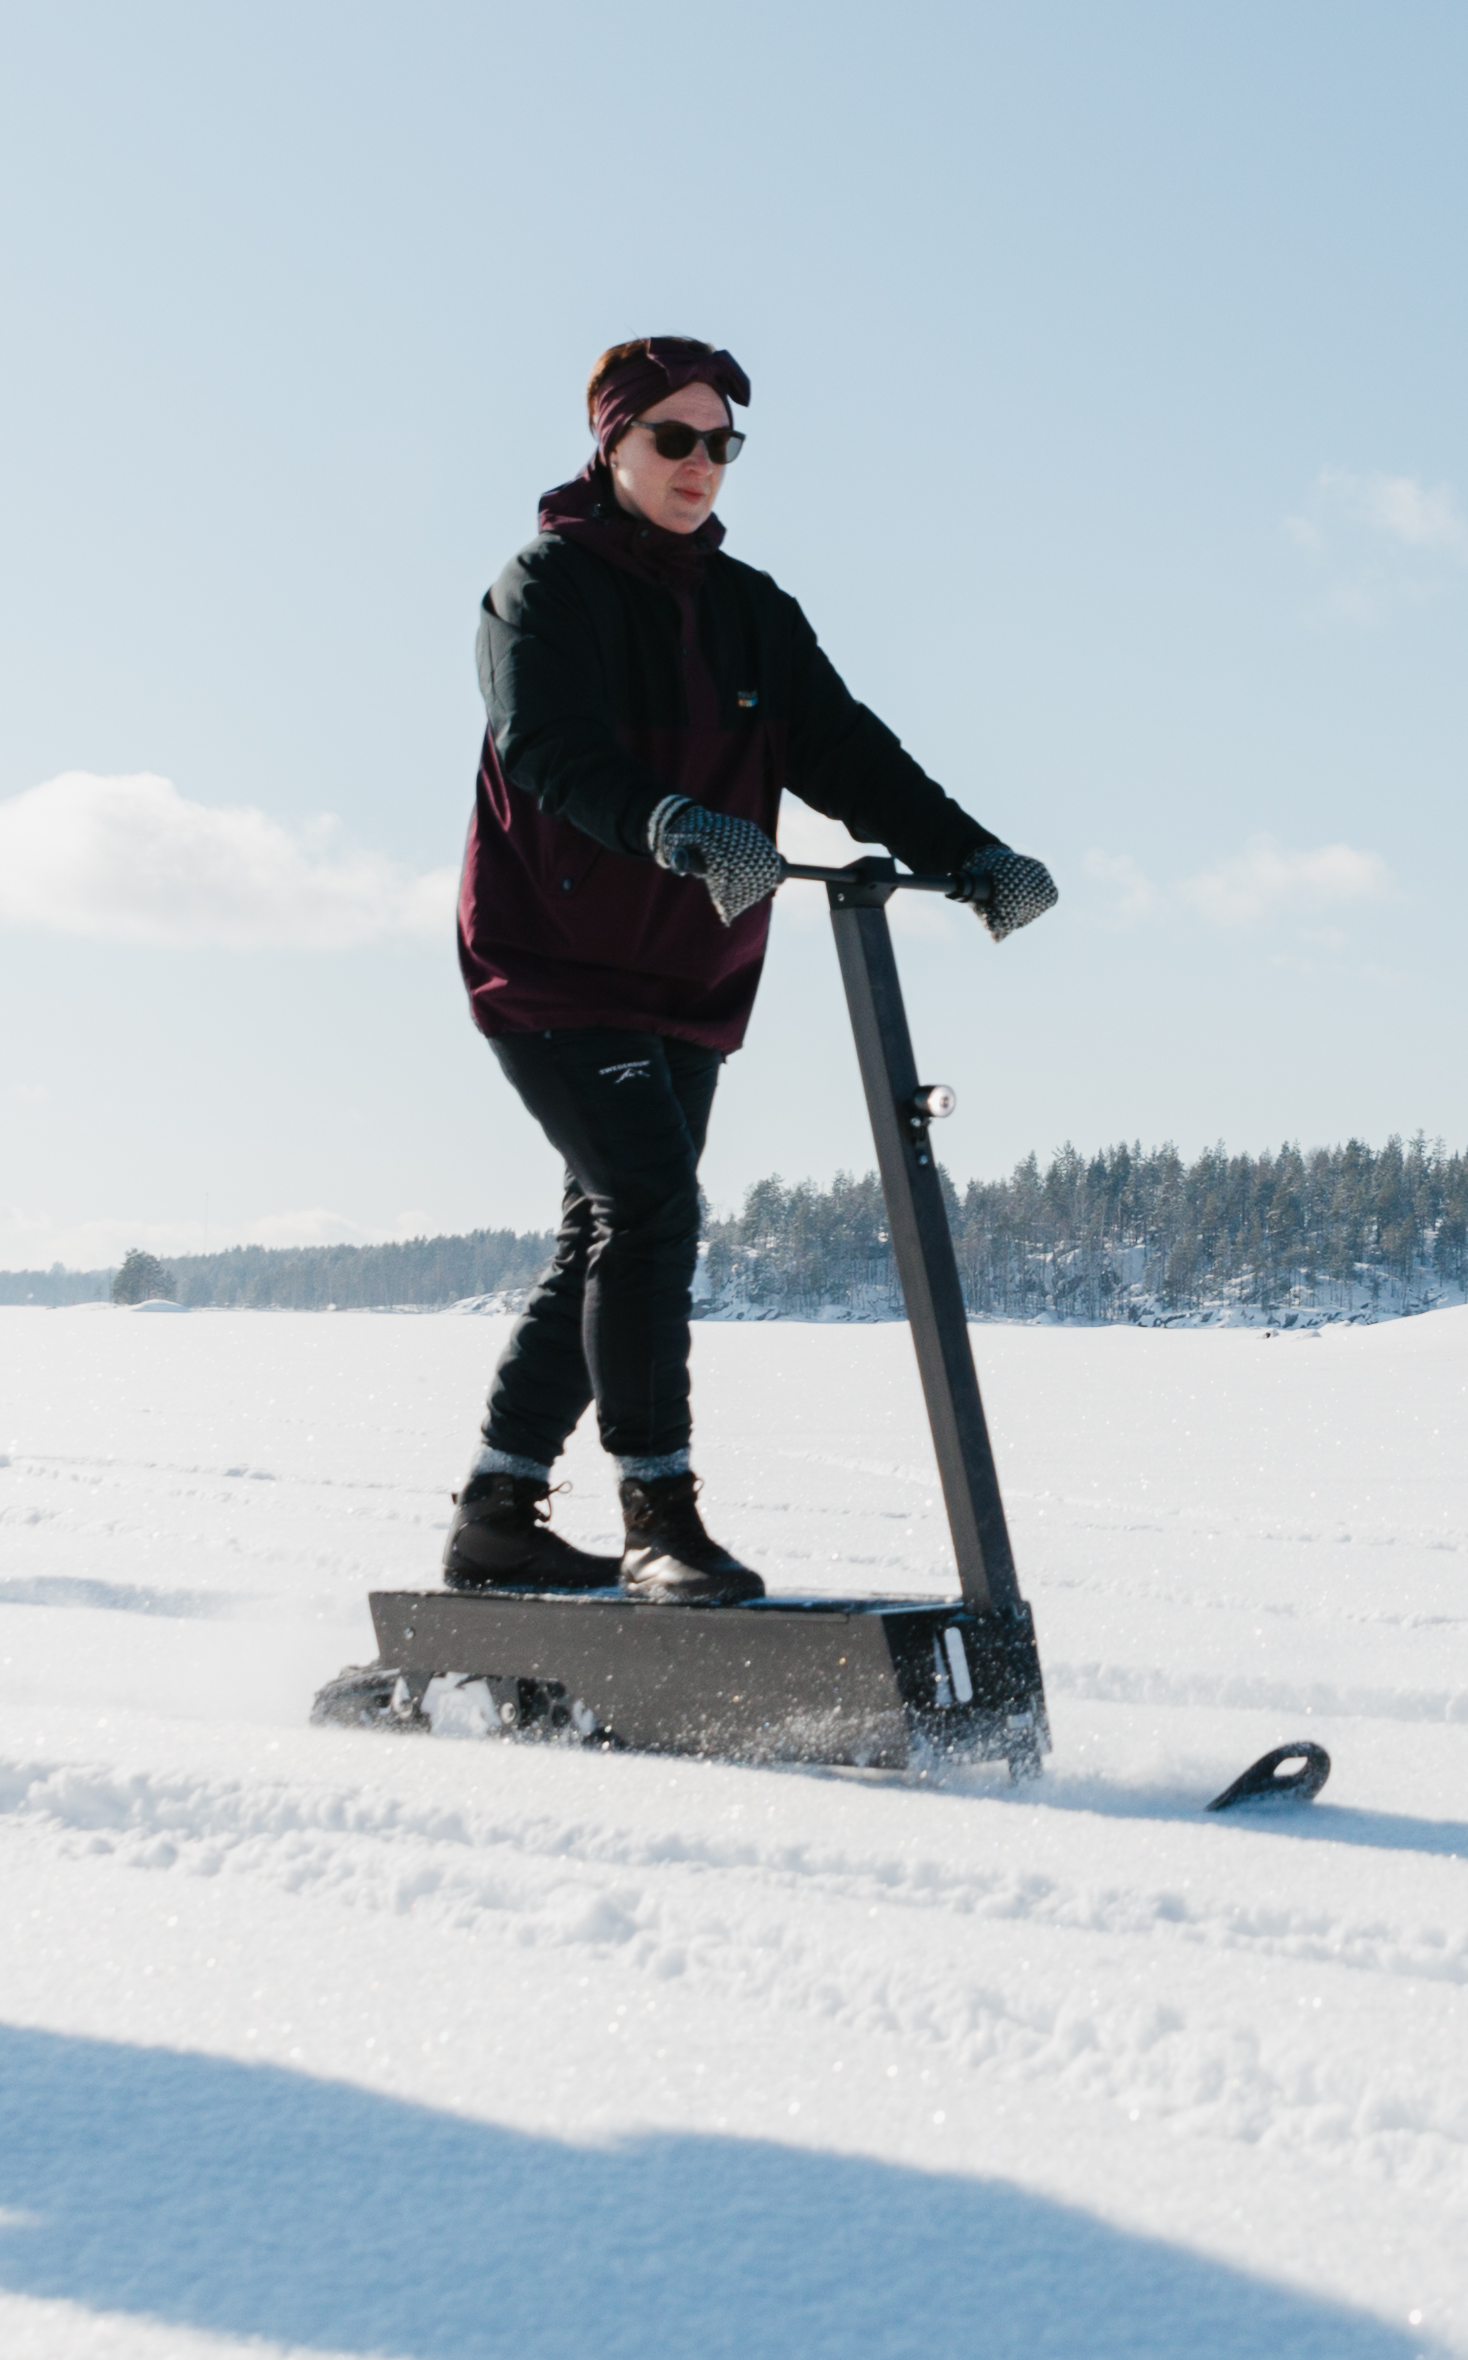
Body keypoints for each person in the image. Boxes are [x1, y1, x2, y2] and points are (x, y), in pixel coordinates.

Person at [443, 337, 1058, 1604]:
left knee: (608, 1226)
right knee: (649, 1206)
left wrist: (970, 851)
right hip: (553, 959)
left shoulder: (751, 613)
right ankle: (657, 1513)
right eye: (674, 438)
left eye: (722, 443)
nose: (701, 464)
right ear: (611, 442)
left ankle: (497, 1517)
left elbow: (851, 755)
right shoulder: (541, 587)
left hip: (690, 968)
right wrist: (671, 823)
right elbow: (548, 750)